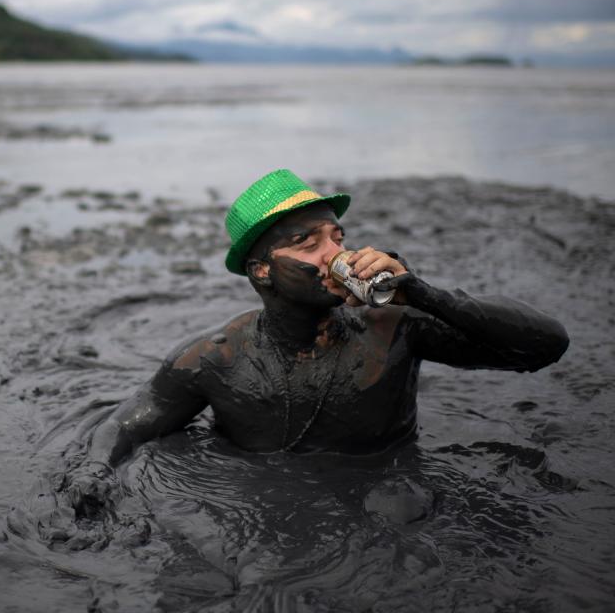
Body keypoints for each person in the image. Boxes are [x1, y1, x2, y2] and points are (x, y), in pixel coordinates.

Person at [66, 169, 569, 516]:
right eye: (309, 244)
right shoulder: (215, 358)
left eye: (337, 236)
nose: (336, 255)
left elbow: (547, 344)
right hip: (258, 504)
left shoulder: (397, 326)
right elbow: (127, 425)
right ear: (262, 271)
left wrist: (422, 291)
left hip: (390, 487)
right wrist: (93, 474)